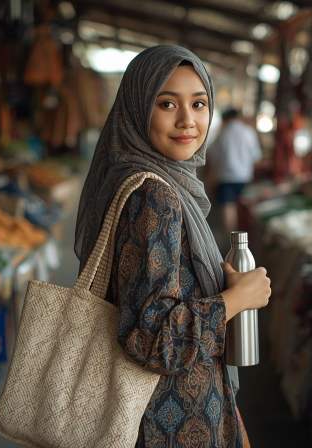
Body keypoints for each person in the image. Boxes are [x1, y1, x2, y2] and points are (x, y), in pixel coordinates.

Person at [75, 45, 271, 447]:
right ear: (138, 107)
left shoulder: (142, 179)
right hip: (167, 422)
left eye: (199, 104)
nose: (188, 121)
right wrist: (237, 299)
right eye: (167, 104)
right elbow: (151, 338)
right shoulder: (155, 195)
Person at [209, 108, 262, 234]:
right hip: (245, 176)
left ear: (225, 119)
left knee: (228, 207)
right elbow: (256, 156)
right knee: (245, 206)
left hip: (226, 177)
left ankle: (231, 239)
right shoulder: (248, 132)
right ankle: (247, 238)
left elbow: (212, 156)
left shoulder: (222, 134)